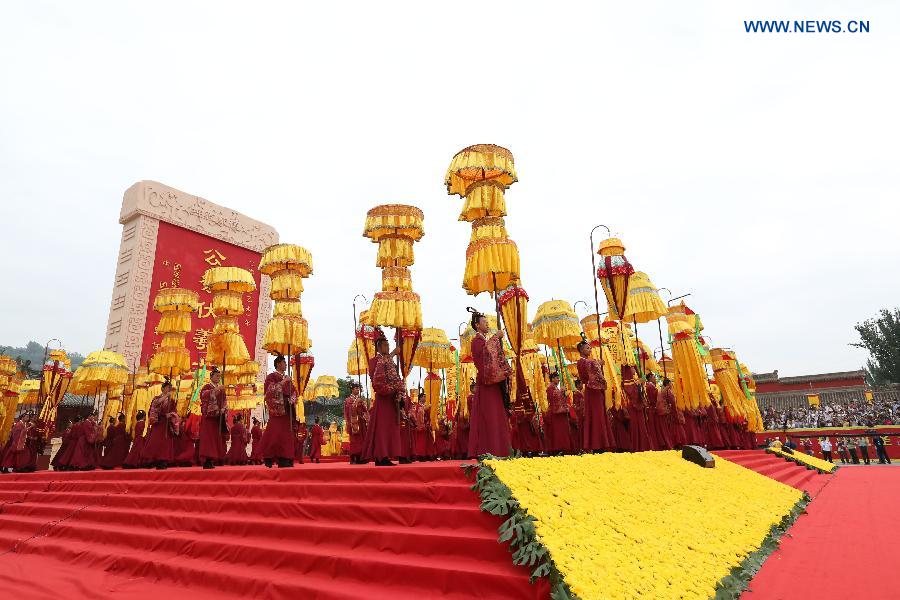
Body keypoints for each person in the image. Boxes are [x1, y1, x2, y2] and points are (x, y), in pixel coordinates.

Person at [467, 309, 512, 458]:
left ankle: (500, 449)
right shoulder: (476, 341)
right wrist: (495, 338)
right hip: (486, 383)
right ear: (477, 325)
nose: (487, 324)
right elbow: (484, 359)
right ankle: (489, 449)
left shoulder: (484, 340)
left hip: (493, 384)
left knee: (496, 417)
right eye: (485, 322)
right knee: (489, 417)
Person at [361, 332, 406, 466]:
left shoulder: (388, 360)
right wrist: (392, 355)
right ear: (379, 347)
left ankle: (386, 456)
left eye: (388, 345)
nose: (388, 347)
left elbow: (394, 378)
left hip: (391, 400)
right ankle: (381, 456)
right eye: (385, 345)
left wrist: (399, 390)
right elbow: (378, 382)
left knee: (390, 429)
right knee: (382, 429)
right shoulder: (375, 360)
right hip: (383, 399)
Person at [575, 339, 612, 453]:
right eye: (587, 348)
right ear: (581, 350)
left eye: (590, 348)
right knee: (596, 416)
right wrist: (597, 363)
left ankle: (601, 443)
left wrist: (596, 363)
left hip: (594, 391)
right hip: (592, 390)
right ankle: (597, 444)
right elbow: (590, 366)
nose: (590, 349)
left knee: (599, 415)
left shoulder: (587, 361)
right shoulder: (582, 361)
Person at [261, 355, 297, 468]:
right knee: (275, 434)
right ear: (278, 364)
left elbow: (294, 392)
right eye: (284, 362)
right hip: (277, 409)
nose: (286, 364)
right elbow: (269, 391)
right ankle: (269, 456)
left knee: (287, 434)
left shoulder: (288, 378)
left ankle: (285, 457)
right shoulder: (271, 376)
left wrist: (292, 399)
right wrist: (283, 382)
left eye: (286, 362)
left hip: (287, 408)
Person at [141, 380, 179, 470]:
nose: (169, 389)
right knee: (156, 442)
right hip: (158, 423)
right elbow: (155, 406)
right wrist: (166, 396)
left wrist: (172, 415)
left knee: (166, 443)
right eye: (167, 387)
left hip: (167, 423)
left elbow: (175, 412)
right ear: (162, 389)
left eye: (170, 388)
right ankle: (153, 460)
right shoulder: (156, 398)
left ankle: (163, 460)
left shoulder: (172, 400)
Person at [199, 368, 227, 470]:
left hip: (217, 418)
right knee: (208, 439)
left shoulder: (221, 388)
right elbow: (203, 396)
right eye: (216, 376)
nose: (218, 378)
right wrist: (216, 390)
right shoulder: (207, 387)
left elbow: (224, 402)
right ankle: (206, 459)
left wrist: (223, 409)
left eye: (219, 376)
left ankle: (212, 459)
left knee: (215, 439)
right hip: (209, 417)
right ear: (211, 377)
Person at [544, 372, 572, 455]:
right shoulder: (550, 387)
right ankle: (558, 448)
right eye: (557, 378)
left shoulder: (555, 387)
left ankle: (562, 448)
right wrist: (561, 392)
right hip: (555, 413)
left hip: (559, 413)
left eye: (558, 378)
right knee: (557, 432)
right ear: (552, 379)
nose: (558, 379)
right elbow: (553, 398)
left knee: (561, 431)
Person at [344, 382, 368, 464]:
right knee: (354, 441)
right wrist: (348, 423)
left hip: (361, 422)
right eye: (356, 388)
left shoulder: (361, 399)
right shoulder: (348, 400)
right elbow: (346, 413)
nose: (358, 390)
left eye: (358, 388)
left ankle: (361, 457)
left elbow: (365, 411)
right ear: (352, 389)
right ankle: (353, 457)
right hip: (353, 422)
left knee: (362, 440)